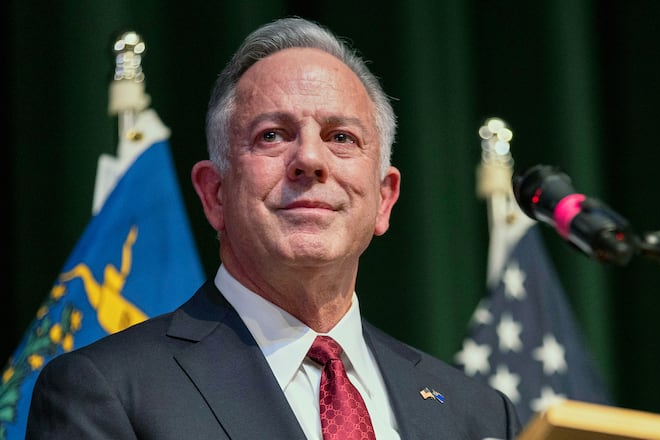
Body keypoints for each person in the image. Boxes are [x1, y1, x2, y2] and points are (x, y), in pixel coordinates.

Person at [27, 17, 521, 439]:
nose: (309, 159)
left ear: (384, 199)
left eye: (341, 137)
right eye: (272, 136)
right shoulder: (105, 390)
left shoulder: (477, 414)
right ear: (214, 194)